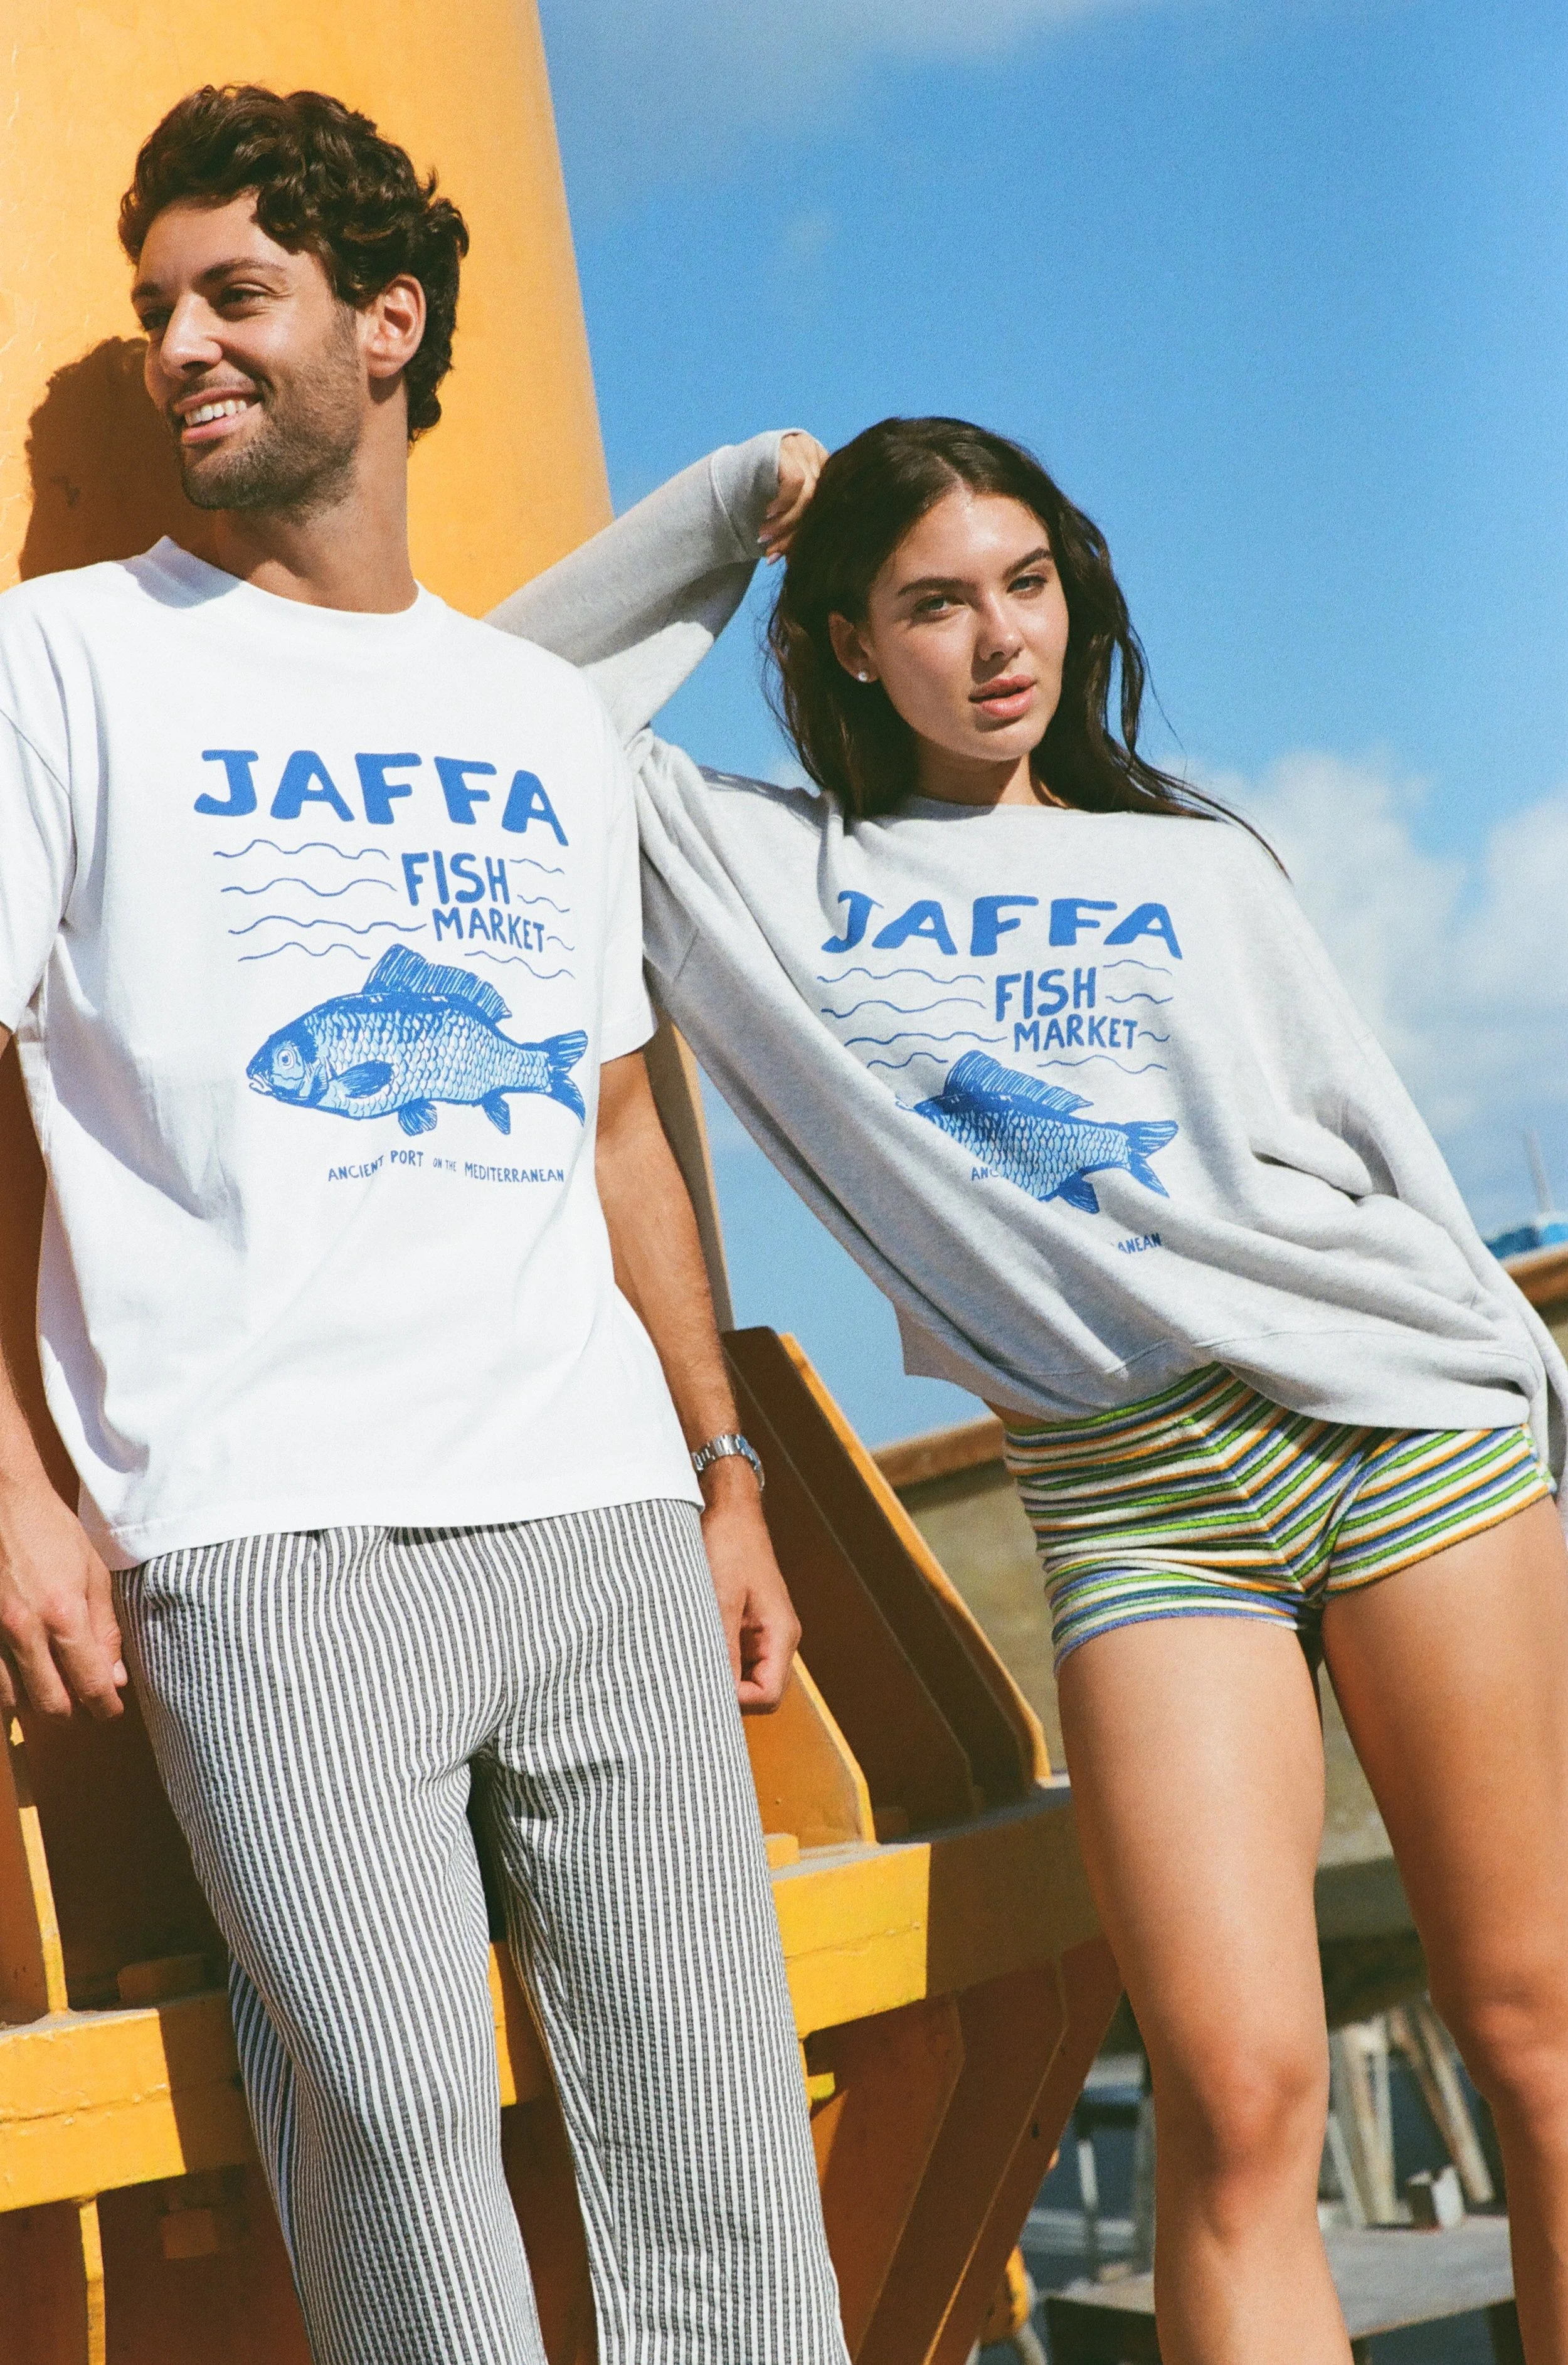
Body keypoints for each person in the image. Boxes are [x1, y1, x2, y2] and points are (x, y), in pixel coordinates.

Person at [496, 418, 1568, 2363]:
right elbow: (508, 692)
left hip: (1404, 1435)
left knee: (1537, 2038)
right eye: (929, 601)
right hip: (1130, 1492)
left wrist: (1508, 1393)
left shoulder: (1195, 864)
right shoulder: (752, 863)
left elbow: (1385, 1162)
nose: (999, 641)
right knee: (1236, 2094)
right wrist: (741, 507)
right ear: (841, 642)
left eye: (1027, 584)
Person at [0, 87, 850, 2365]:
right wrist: (15, 1493)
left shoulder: (534, 716)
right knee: (392, 2159)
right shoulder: (67, 661)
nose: (183, 346)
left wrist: (728, 1465)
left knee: (720, 2160)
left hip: (595, 1513)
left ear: (386, 327)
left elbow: (616, 1132)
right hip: (265, 1534)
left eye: (236, 297)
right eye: (155, 308)